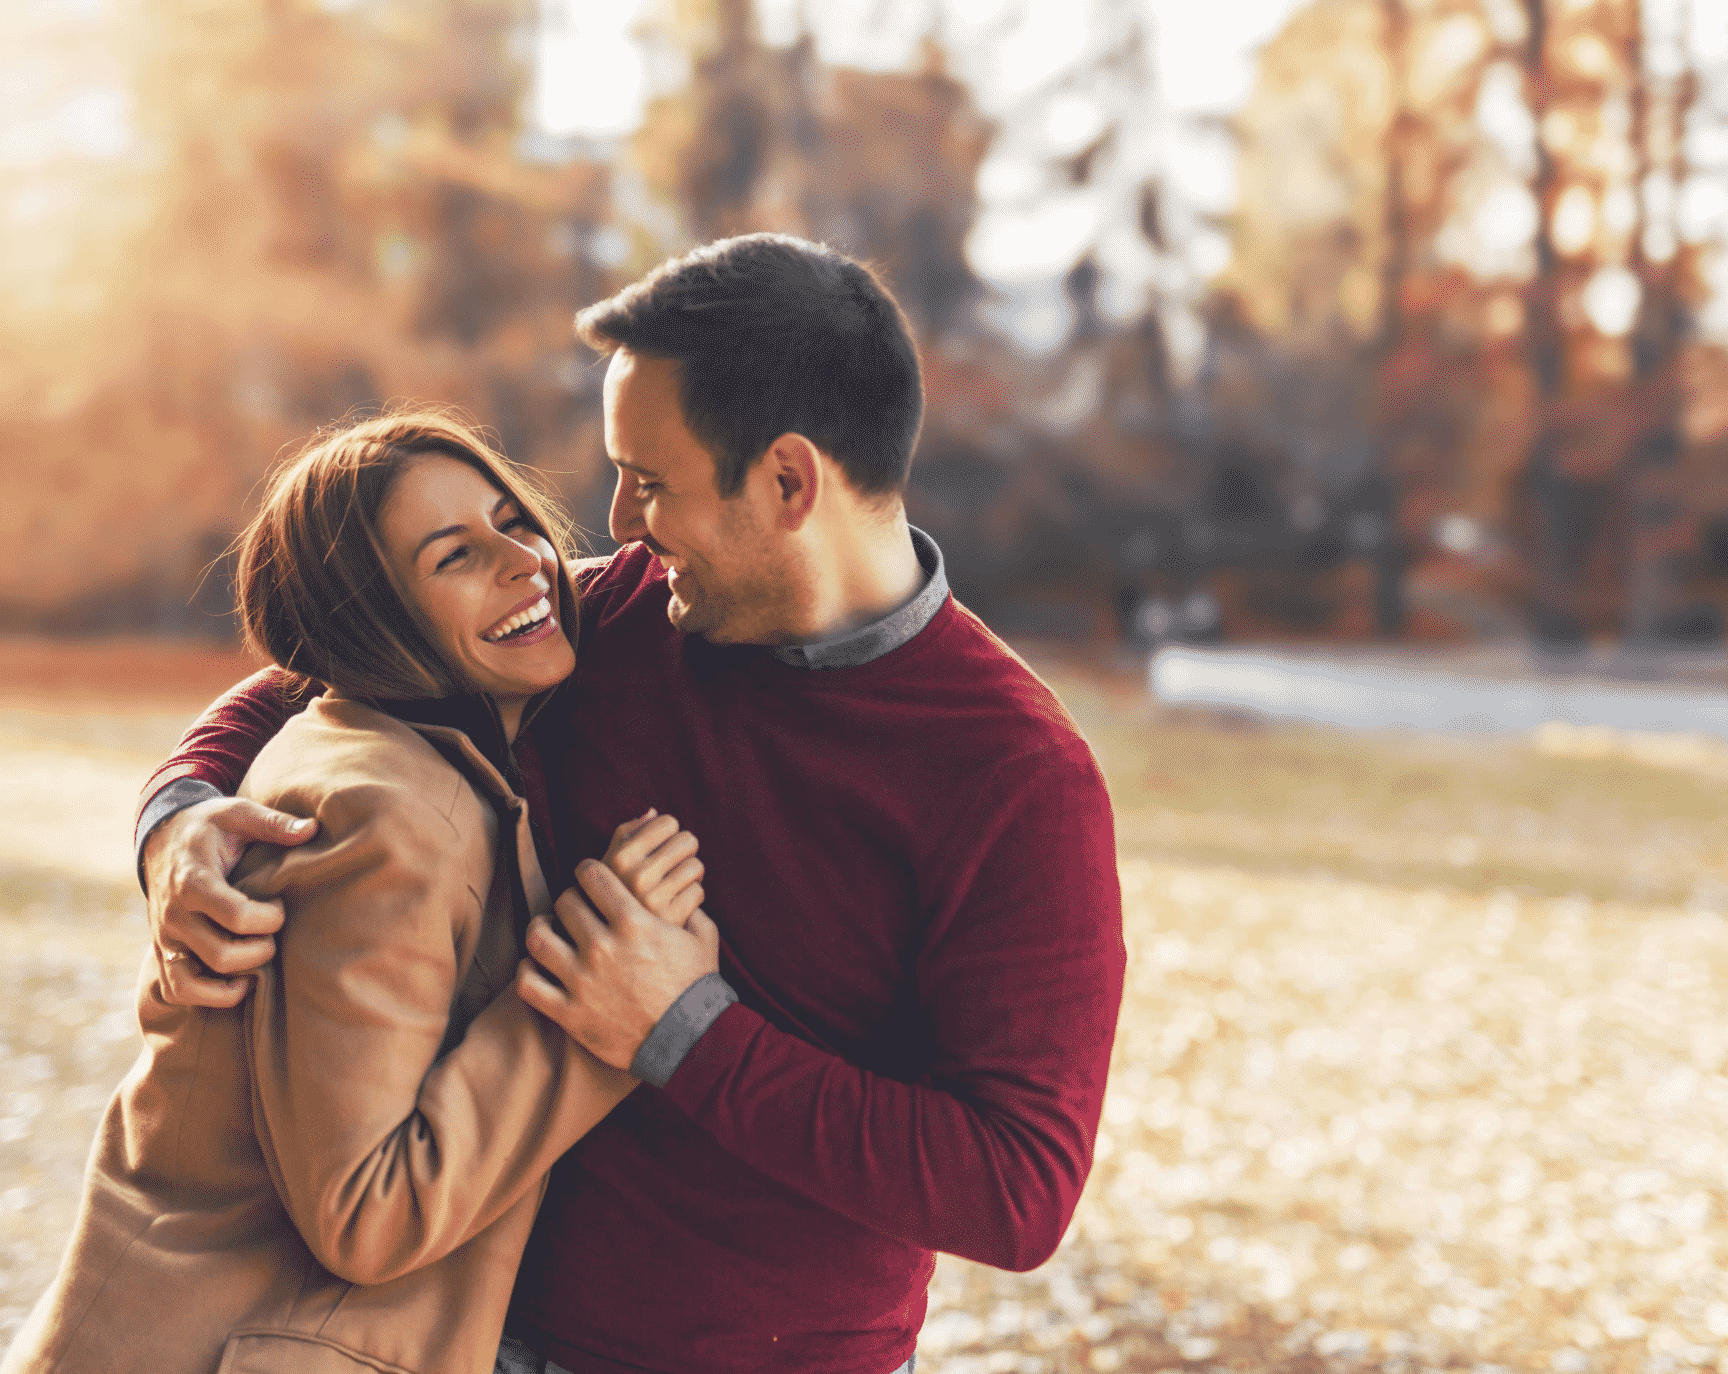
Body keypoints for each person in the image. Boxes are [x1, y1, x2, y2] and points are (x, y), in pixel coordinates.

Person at [134, 234, 1128, 1374]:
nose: (616, 520)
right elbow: (334, 660)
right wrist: (179, 816)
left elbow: (1014, 1190)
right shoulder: (620, 620)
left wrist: (681, 1029)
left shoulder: (1013, 779)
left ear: (788, 481)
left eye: (650, 482)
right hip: (460, 1336)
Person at [4, 413, 709, 1374]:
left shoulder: (398, 754)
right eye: (454, 555)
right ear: (371, 624)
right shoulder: (383, 819)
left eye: (512, 519)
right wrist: (595, 1002)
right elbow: (364, 1215)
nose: (527, 562)